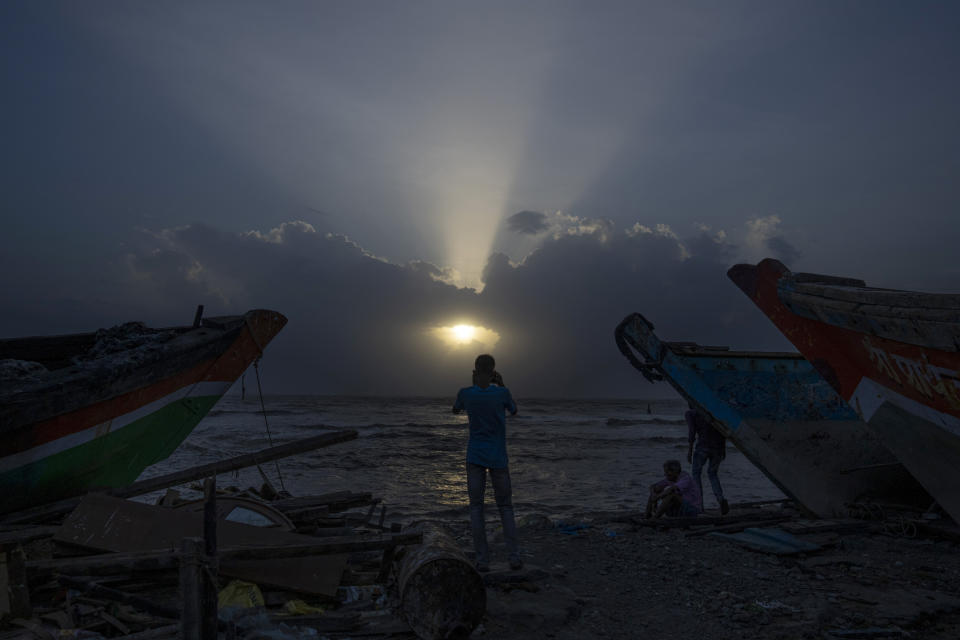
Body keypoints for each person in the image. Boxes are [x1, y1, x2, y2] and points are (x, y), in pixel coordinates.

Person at [453, 354, 521, 572]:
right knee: (506, 507)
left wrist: (475, 386)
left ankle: (483, 561)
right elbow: (514, 410)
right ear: (493, 371)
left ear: (475, 370)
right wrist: (500, 384)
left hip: (475, 456)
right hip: (498, 457)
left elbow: (455, 409)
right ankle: (514, 557)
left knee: (476, 508)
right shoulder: (502, 392)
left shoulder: (466, 393)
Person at [686, 406, 729, 515]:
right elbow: (722, 430)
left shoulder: (692, 413)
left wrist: (690, 451)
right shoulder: (713, 411)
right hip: (717, 447)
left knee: (696, 474)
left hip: (703, 447)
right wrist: (723, 449)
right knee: (713, 474)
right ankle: (720, 499)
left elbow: (692, 432)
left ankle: (699, 505)